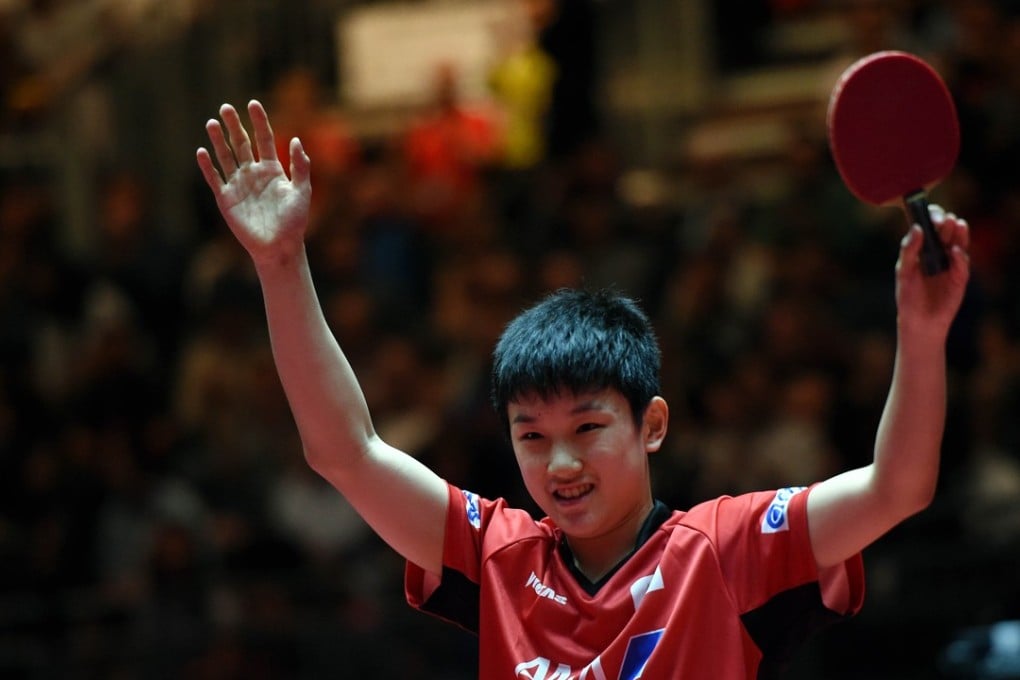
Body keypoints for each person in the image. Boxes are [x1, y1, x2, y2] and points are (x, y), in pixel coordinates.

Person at [196, 99, 971, 678]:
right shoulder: (496, 556)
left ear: (652, 424)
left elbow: (898, 487)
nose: (559, 462)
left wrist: (923, 335)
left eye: (588, 428)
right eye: (531, 436)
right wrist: (281, 264)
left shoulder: (727, 551)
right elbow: (347, 453)